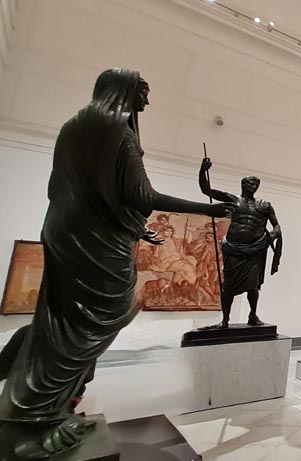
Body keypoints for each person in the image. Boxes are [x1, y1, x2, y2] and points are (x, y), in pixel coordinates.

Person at [0, 69, 233, 460]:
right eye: (142, 92)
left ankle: (43, 401)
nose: (146, 101)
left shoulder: (75, 127)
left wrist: (135, 229)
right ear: (125, 91)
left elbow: (85, 191)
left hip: (66, 232)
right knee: (95, 320)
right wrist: (207, 209)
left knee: (63, 320)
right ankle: (30, 418)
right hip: (96, 243)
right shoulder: (119, 134)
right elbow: (141, 195)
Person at [198, 158, 282, 328]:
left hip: (255, 249)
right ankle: (225, 320)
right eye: (251, 183)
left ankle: (253, 315)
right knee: (228, 286)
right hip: (234, 248)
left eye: (256, 184)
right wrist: (202, 170)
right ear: (243, 184)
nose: (254, 186)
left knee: (253, 286)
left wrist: (274, 234)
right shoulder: (232, 200)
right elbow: (206, 190)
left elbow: (276, 226)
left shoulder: (264, 205)